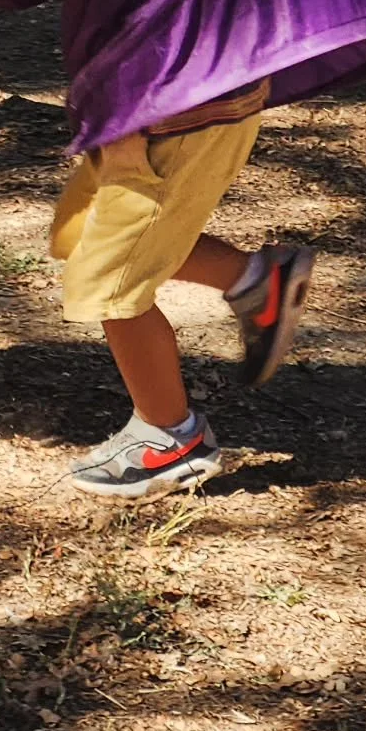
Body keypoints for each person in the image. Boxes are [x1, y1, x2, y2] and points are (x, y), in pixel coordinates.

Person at [51, 91, 315, 499]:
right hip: (170, 108)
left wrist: (128, 112)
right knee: (81, 231)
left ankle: (170, 437)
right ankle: (257, 280)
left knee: (109, 276)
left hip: (165, 116)